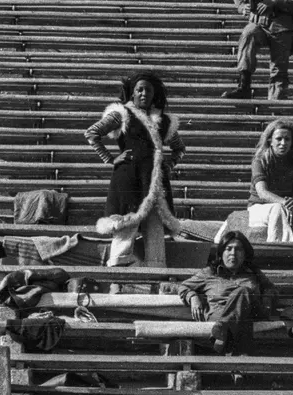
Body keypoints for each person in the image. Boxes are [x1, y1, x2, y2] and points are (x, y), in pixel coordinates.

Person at [84, 71, 184, 267]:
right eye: (140, 89)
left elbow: (179, 148)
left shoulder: (164, 121)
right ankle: (116, 281)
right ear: (132, 93)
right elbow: (92, 133)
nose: (144, 94)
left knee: (155, 230)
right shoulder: (121, 114)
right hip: (129, 180)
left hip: (155, 185)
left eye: (148, 90)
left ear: (155, 94)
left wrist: (167, 165)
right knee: (125, 227)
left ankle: (157, 276)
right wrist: (111, 159)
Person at [178, 231, 278, 355]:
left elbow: (271, 289)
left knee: (243, 292)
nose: (233, 253)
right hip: (220, 316)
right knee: (242, 323)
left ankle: (223, 328)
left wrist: (267, 299)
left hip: (252, 314)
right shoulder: (209, 273)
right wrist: (193, 297)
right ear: (221, 253)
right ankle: (238, 369)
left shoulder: (253, 273)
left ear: (245, 253)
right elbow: (183, 286)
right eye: (228, 249)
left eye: (238, 249)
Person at [245, 118, 293, 243]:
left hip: (286, 207)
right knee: (277, 208)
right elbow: (262, 193)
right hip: (259, 208)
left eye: (287, 139)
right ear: (270, 140)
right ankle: (278, 247)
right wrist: (284, 203)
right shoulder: (259, 161)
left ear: (292, 142)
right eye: (279, 139)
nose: (283, 143)